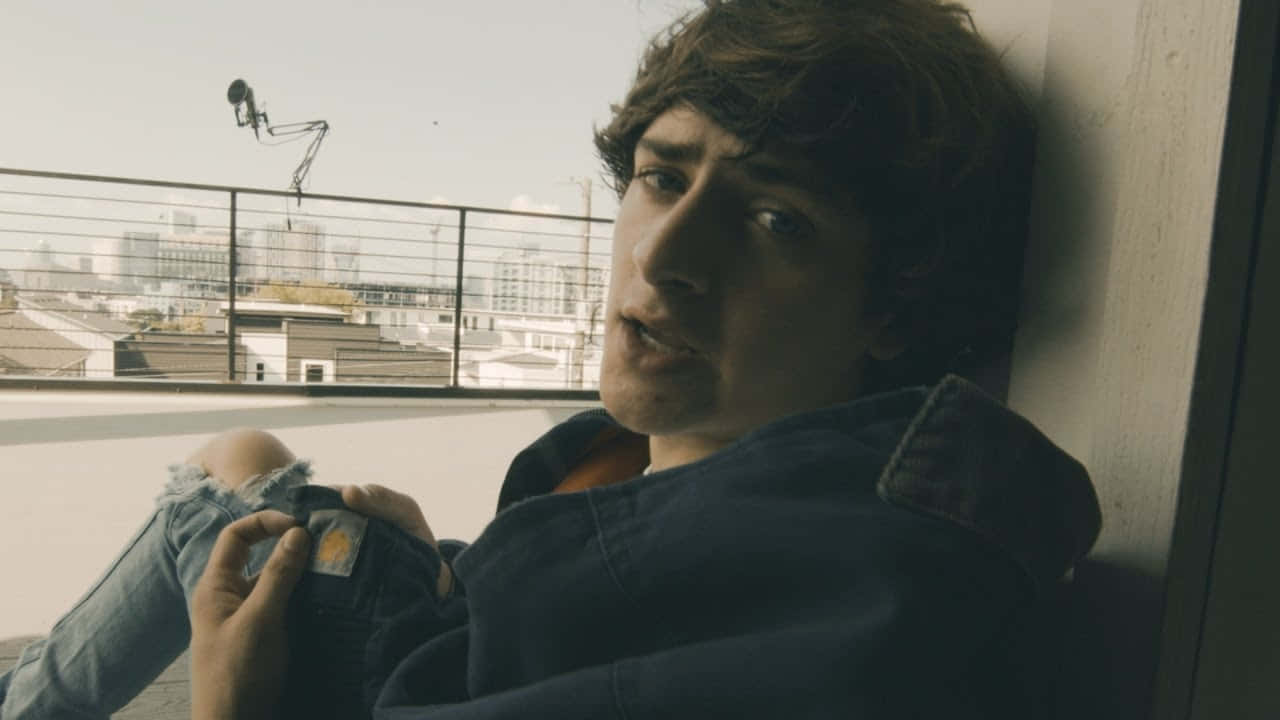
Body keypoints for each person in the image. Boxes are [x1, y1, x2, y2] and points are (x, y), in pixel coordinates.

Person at [0, 0, 1102, 717]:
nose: (663, 257)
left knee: (230, 471)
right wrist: (453, 575)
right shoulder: (766, 492)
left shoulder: (851, 605)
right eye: (662, 178)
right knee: (243, 461)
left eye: (775, 222)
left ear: (893, 308)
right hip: (434, 631)